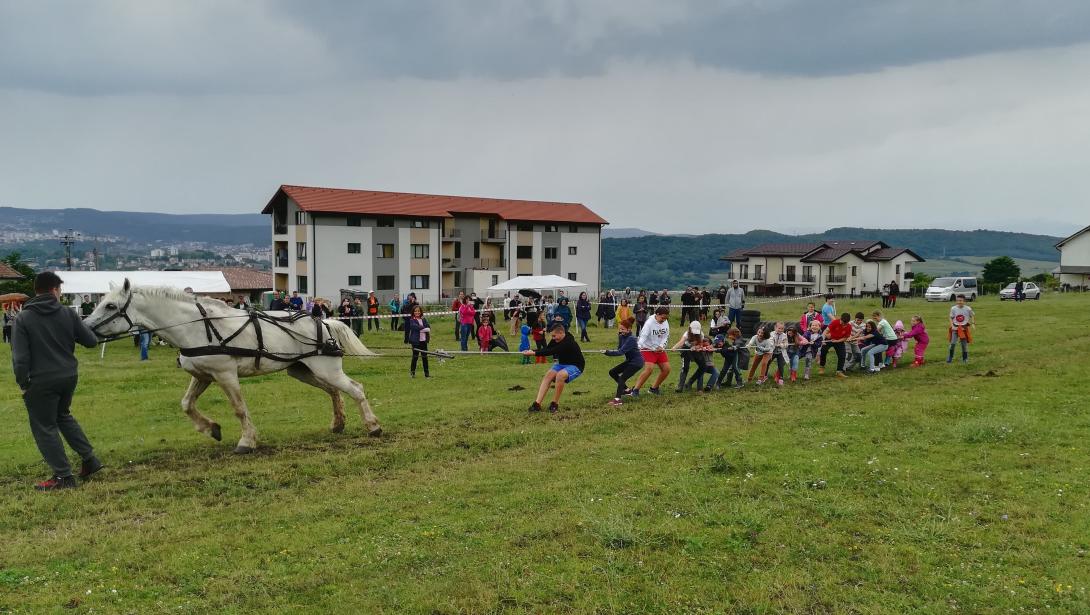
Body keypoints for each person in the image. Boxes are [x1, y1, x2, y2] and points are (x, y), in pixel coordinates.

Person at [11, 272, 103, 490]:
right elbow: (91, 341)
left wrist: (23, 383)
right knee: (63, 416)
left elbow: (20, 358)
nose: (60, 295)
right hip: (68, 375)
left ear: (37, 290)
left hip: (41, 380)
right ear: (54, 290)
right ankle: (90, 460)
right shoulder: (67, 314)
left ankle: (63, 477)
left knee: (44, 426)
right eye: (60, 290)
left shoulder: (24, 318)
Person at [523, 323, 585, 413]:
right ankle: (537, 404)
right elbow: (547, 348)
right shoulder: (556, 340)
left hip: (576, 365)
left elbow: (552, 351)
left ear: (561, 333)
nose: (553, 338)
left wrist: (534, 354)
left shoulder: (568, 342)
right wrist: (532, 351)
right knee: (548, 376)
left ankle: (554, 404)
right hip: (562, 364)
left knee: (560, 375)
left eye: (554, 336)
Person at [629, 306, 671, 397]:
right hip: (647, 348)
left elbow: (666, 336)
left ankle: (654, 388)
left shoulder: (665, 322)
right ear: (657, 314)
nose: (664, 320)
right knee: (649, 368)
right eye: (662, 318)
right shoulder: (649, 323)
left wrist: (662, 346)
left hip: (659, 349)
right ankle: (635, 390)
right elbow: (642, 337)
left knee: (666, 369)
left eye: (666, 318)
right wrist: (638, 347)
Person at [603, 317, 644, 406]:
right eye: (620, 328)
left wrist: (607, 352)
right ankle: (627, 390)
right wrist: (620, 337)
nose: (621, 330)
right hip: (630, 360)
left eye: (623, 329)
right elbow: (619, 348)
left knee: (622, 378)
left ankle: (618, 400)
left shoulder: (632, 339)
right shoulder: (622, 336)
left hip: (636, 362)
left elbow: (620, 352)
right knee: (612, 372)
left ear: (629, 329)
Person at [671, 321, 701, 392]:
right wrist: (675, 347)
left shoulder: (701, 334)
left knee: (703, 365)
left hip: (694, 350)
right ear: (690, 328)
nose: (694, 333)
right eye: (693, 331)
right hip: (685, 350)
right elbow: (681, 342)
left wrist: (696, 347)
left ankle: (690, 382)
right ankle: (680, 387)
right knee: (685, 367)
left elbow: (700, 344)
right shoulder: (686, 334)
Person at [820, 313, 852, 379]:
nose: (842, 324)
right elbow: (825, 331)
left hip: (839, 341)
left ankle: (839, 371)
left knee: (842, 355)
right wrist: (824, 338)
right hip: (829, 339)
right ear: (841, 318)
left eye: (844, 323)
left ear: (847, 322)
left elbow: (845, 338)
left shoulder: (849, 327)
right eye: (842, 322)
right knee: (823, 351)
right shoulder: (835, 322)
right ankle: (822, 367)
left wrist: (837, 341)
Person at [404, 304, 431, 378]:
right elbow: (415, 327)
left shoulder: (424, 319)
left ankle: (427, 374)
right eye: (415, 311)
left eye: (418, 311)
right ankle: (412, 373)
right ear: (413, 312)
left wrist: (422, 329)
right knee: (415, 357)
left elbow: (428, 327)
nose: (417, 312)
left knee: (425, 358)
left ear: (421, 312)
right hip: (416, 342)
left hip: (423, 342)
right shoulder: (412, 320)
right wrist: (424, 329)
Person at [947, 294, 975, 364]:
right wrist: (952, 326)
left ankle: (965, 359)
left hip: (964, 329)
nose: (959, 302)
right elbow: (951, 317)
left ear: (964, 301)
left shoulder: (968, 309)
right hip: (955, 328)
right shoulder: (953, 308)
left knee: (964, 345)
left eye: (961, 301)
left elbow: (972, 316)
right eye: (958, 300)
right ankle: (950, 357)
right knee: (952, 344)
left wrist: (973, 324)